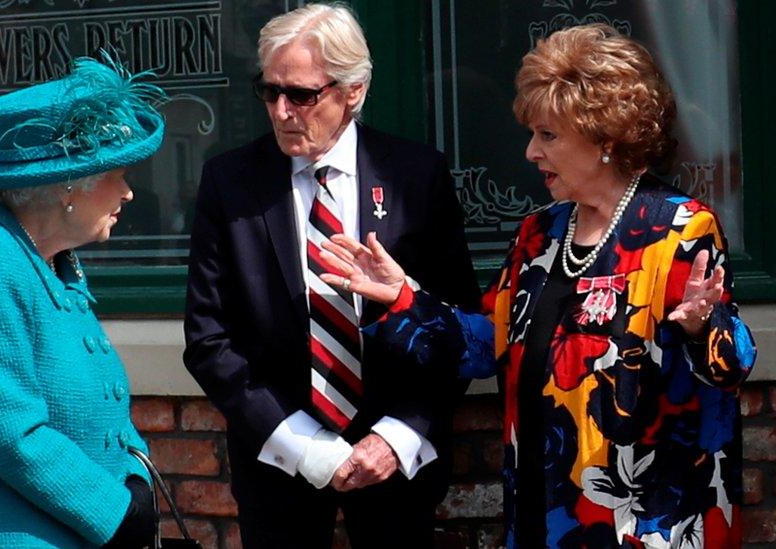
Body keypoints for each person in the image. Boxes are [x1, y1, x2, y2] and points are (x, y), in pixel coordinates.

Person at [318, 24, 756, 548]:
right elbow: (485, 346)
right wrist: (401, 298)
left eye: (547, 136)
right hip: (542, 516)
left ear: (604, 140)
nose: (530, 152)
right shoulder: (540, 233)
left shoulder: (680, 229)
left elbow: (729, 368)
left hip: (645, 523)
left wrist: (702, 326)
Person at [183, 4, 480, 548]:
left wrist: (397, 437)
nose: (279, 111)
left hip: (396, 466)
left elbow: (459, 326)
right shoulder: (230, 182)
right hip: (280, 463)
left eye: (300, 94)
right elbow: (208, 339)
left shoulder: (416, 176)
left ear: (354, 91)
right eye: (268, 91)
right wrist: (304, 446)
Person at [0, 54, 167, 548]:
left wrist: (136, 479)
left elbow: (98, 400)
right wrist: (118, 512)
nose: (129, 193)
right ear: (71, 183)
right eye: (119, 175)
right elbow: (11, 435)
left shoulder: (47, 256)